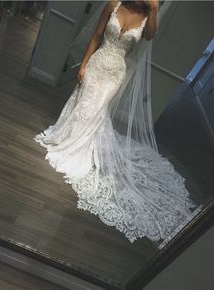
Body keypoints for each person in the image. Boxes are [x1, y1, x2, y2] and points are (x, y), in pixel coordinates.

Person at [34, 1, 203, 247]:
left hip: (115, 73)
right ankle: (67, 138)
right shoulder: (114, 4)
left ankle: (79, 145)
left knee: (96, 109)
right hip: (98, 63)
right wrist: (82, 64)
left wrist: (155, 9)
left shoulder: (147, 18)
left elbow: (150, 37)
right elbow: (96, 36)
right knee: (84, 104)